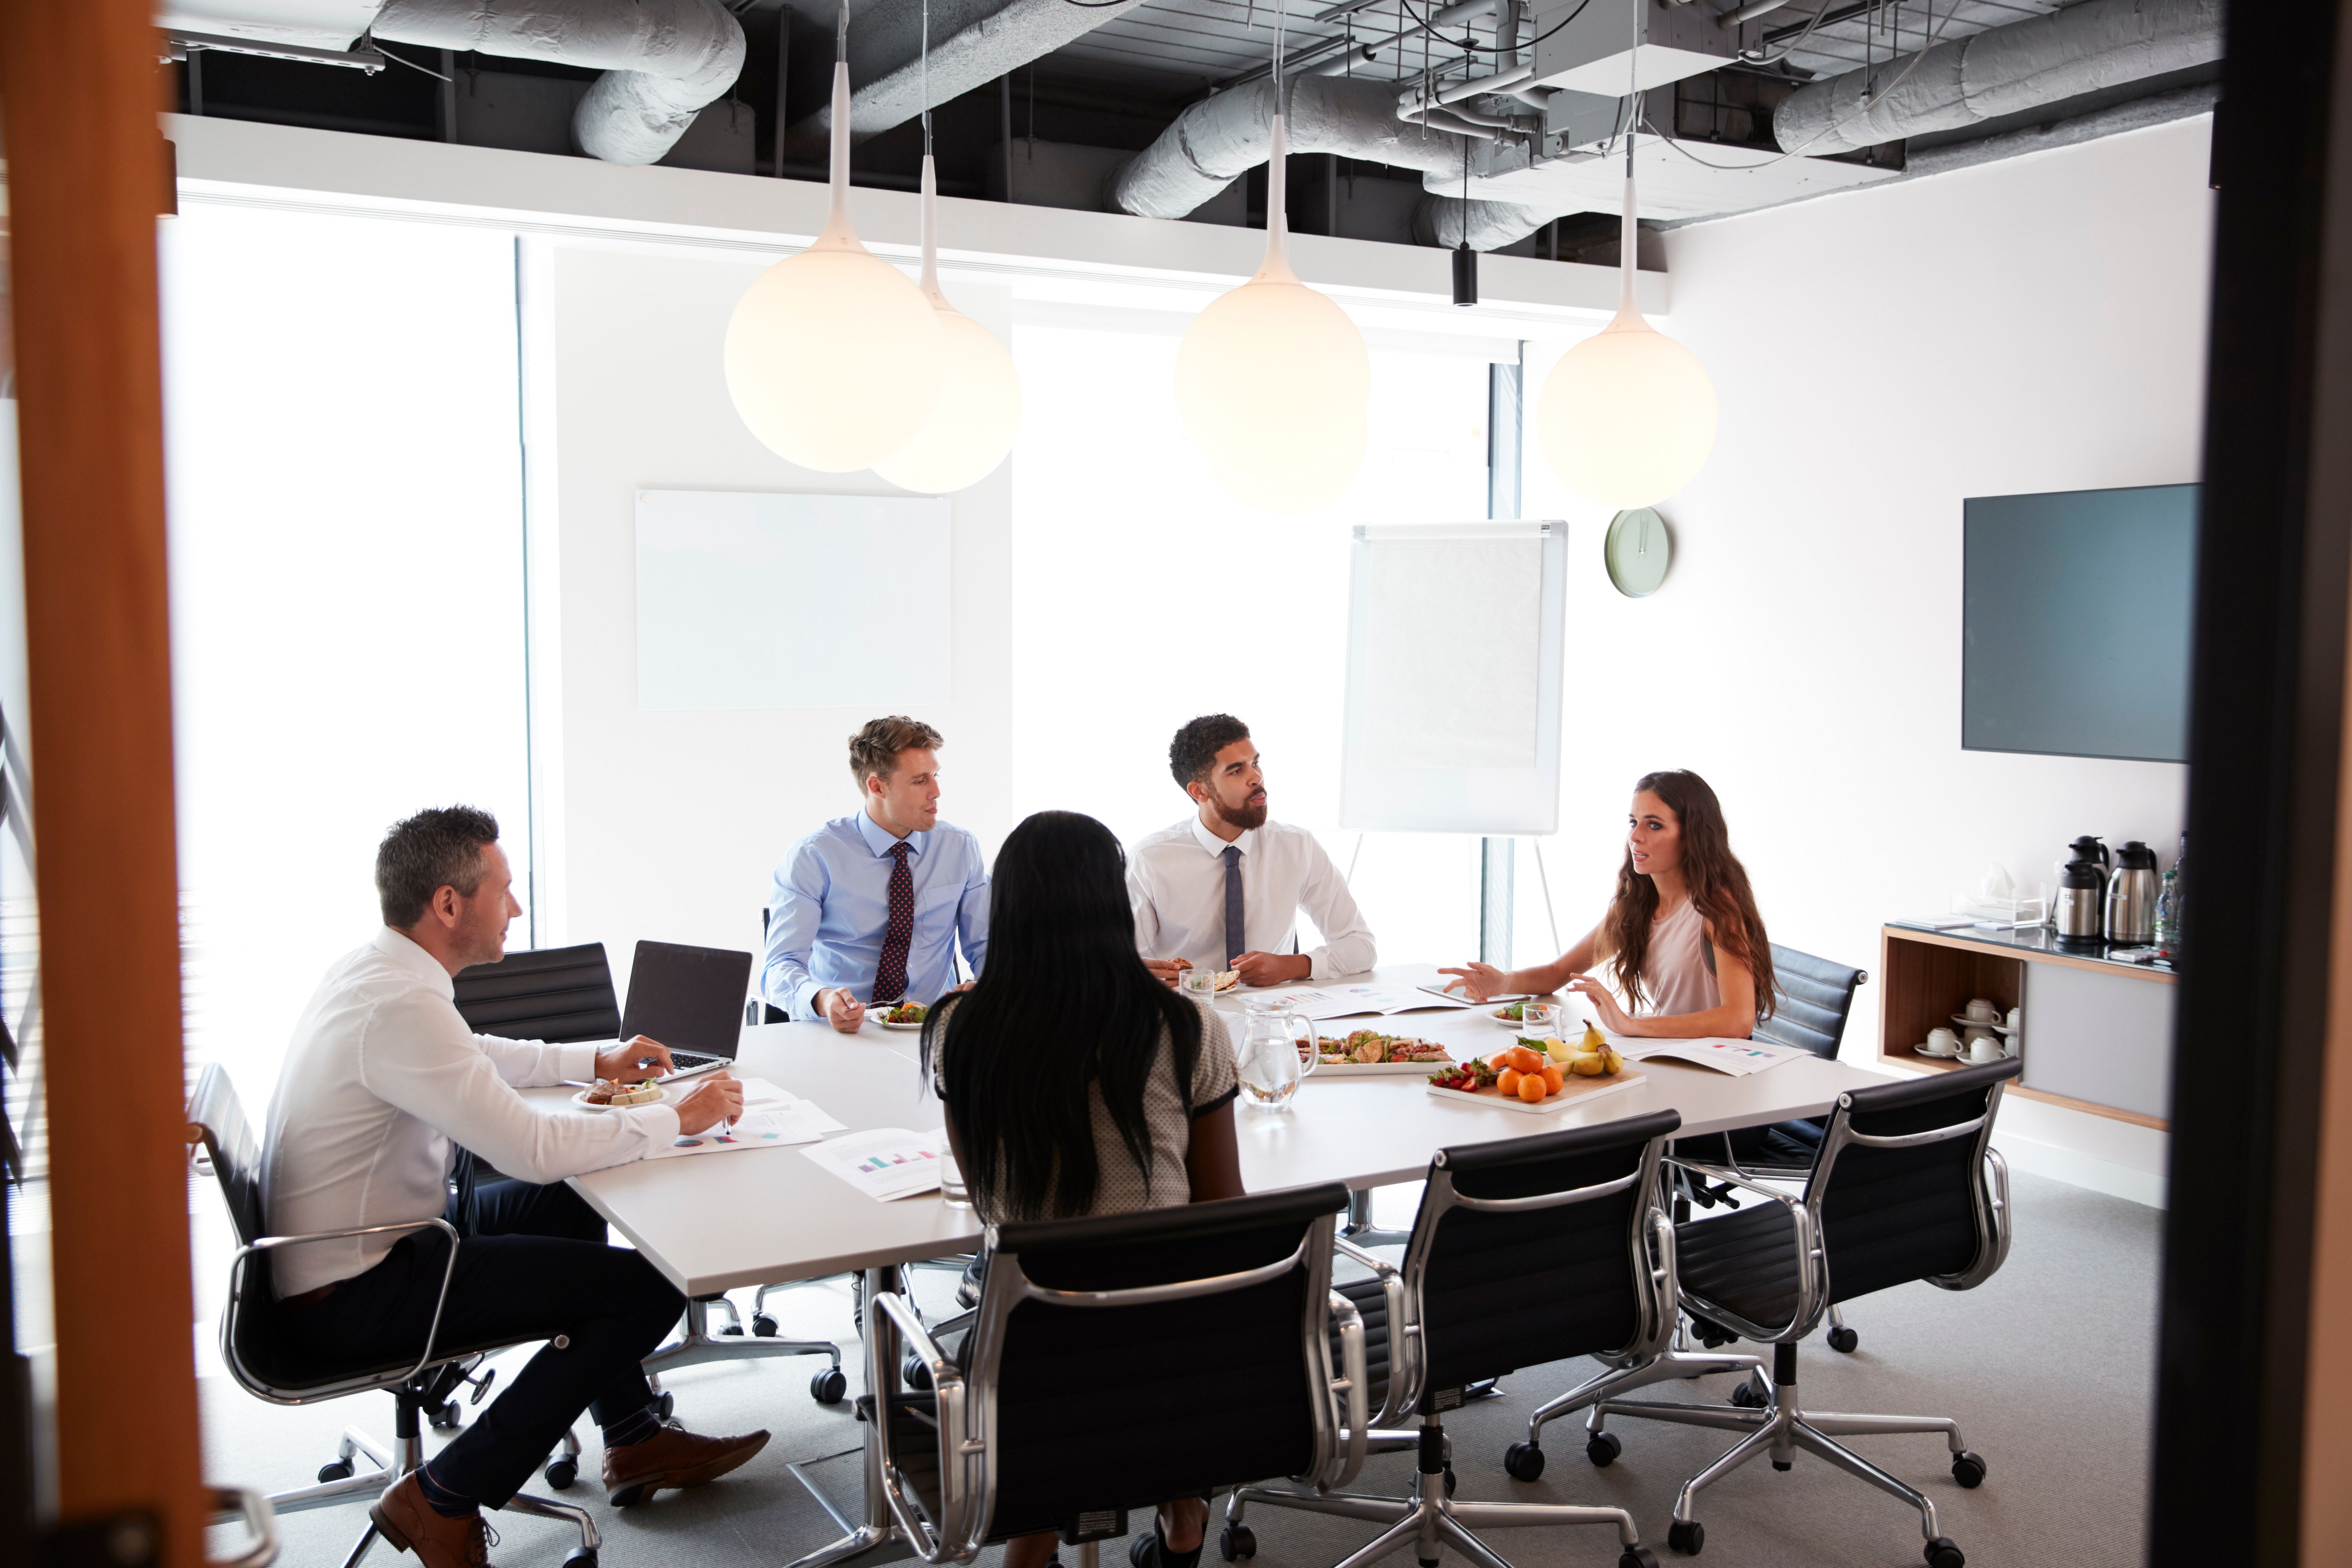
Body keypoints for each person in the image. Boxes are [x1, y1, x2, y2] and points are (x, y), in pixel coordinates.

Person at [261, 806, 769, 1568]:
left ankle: (631, 1433)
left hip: (366, 1250)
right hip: (360, 1291)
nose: (518, 908)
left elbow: (474, 1054)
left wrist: (598, 1058)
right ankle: (444, 1494)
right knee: (649, 1291)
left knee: (572, 1196)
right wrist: (676, 1114)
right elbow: (531, 1147)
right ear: (448, 903)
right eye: (505, 889)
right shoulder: (399, 1004)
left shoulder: (382, 972)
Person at [922, 809, 1242, 1568]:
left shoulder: (958, 1029)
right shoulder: (1187, 1025)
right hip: (1167, 1338)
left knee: (1056, 1351)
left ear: (1008, 907)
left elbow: (987, 1202)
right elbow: (1222, 1210)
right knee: (1161, 1293)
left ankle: (1034, 1533)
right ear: (1113, 902)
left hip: (1029, 1347)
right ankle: (1182, 1508)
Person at [1440, 770, 1778, 1038]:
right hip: (1675, 1059)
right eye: (1634, 822)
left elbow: (1738, 1021)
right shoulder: (1638, 906)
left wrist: (1631, 1025)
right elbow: (1558, 973)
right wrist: (1504, 984)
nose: (1635, 837)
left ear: (1693, 836)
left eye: (1654, 825)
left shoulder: (1718, 908)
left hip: (1723, 1084)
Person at [761, 716, 990, 1033]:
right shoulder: (815, 856)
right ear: (877, 786)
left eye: (935, 776)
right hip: (842, 1032)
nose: (936, 791)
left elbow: (987, 946)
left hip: (933, 1032)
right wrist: (822, 999)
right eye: (920, 781)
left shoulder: (960, 849)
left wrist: (987, 986)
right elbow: (780, 967)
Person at [1127, 714, 1375, 988]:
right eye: (1237, 770)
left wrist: (1290, 966)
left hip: (1274, 1017)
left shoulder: (1297, 847)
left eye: (1255, 763)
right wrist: (1139, 976)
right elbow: (1116, 963)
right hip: (1187, 1016)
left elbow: (1361, 946)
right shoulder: (1149, 861)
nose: (1256, 778)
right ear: (1200, 791)